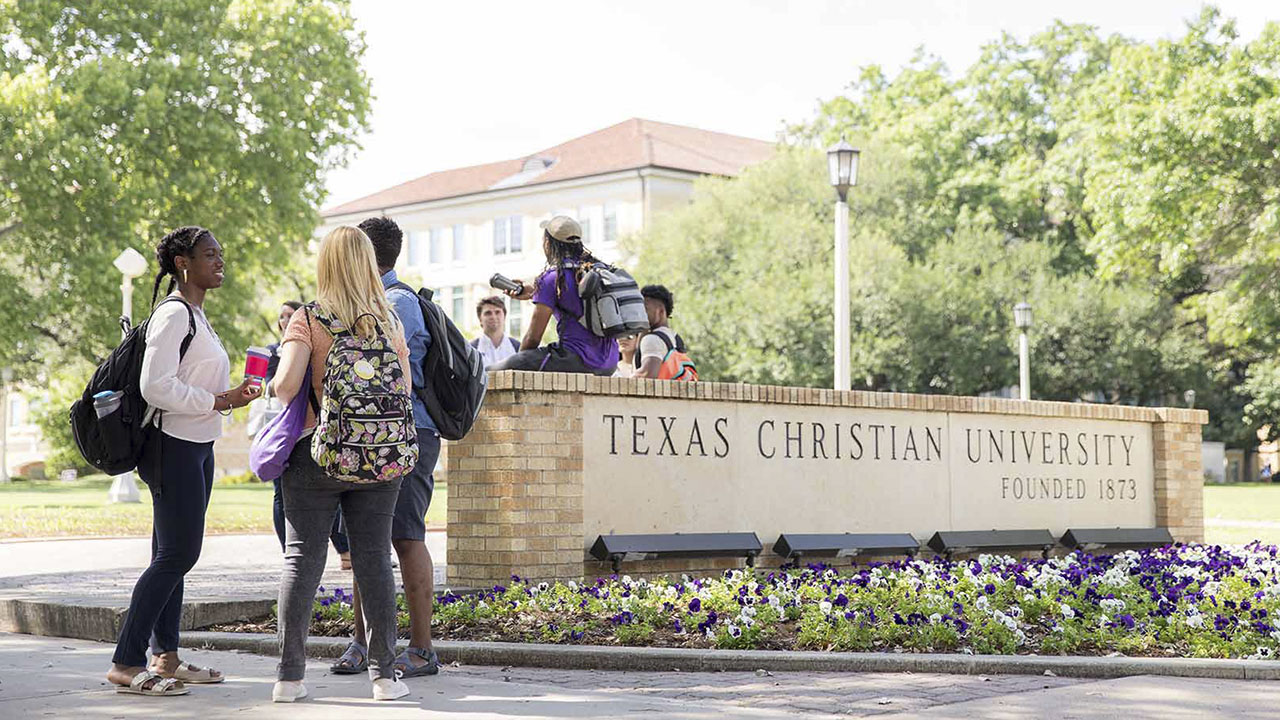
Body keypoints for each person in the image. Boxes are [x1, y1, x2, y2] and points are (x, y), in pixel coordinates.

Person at [107, 226, 261, 697]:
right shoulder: (173, 315)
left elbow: (187, 382)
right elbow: (156, 386)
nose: (220, 261)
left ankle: (166, 657)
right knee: (178, 554)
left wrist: (229, 398)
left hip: (197, 446)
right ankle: (126, 662)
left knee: (170, 555)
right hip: (171, 446)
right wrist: (218, 400)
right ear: (182, 263)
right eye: (209, 255)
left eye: (221, 253)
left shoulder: (197, 316)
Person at [269, 225, 412, 703]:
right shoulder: (388, 321)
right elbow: (405, 391)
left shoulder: (310, 318)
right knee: (374, 560)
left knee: (302, 560)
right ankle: (385, 678)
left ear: (326, 264)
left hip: (318, 454)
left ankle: (289, 679)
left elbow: (287, 386)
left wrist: (268, 383)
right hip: (379, 457)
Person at [325, 215, 443, 681]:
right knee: (364, 539)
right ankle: (364, 643)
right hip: (372, 438)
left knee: (406, 535)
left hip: (406, 435)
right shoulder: (373, 303)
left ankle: (421, 648)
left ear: (365, 257)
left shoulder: (397, 304)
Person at [249, 300, 351, 570]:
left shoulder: (309, 331)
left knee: (331, 495)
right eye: (280, 316)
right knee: (280, 494)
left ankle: (342, 550)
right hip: (279, 427)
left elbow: (283, 387)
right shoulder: (271, 353)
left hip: (308, 428)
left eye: (289, 315)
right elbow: (268, 386)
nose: (284, 320)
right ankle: (289, 551)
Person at [489, 215, 619, 375]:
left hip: (577, 360)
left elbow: (532, 338)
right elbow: (573, 298)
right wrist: (536, 292)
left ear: (549, 243)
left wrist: (519, 363)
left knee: (491, 371)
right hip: (610, 363)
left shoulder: (552, 278)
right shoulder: (596, 271)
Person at [633, 284, 680, 380]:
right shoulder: (675, 338)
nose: (640, 313)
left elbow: (647, 375)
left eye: (645, 309)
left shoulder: (652, 339)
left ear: (661, 311)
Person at [469, 295, 520, 367]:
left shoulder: (518, 348)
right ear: (480, 319)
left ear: (504, 317)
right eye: (488, 313)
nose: (493, 317)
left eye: (497, 312)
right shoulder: (470, 350)